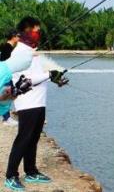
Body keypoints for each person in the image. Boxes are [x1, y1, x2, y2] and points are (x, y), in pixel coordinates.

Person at [4, 17, 67, 191]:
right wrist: (49, 75)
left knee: (33, 139)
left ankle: (30, 171)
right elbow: (23, 79)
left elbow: (38, 74)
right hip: (27, 103)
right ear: (25, 32)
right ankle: (10, 176)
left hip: (39, 102)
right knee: (23, 139)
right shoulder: (19, 53)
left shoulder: (32, 52)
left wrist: (54, 78)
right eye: (35, 30)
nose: (38, 33)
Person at [0, 30, 20, 126]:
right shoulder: (8, 48)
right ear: (13, 37)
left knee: (9, 95)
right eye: (18, 36)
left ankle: (7, 118)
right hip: (5, 76)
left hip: (6, 75)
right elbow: (5, 62)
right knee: (8, 95)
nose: (19, 37)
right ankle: (6, 119)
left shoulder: (8, 47)